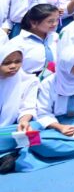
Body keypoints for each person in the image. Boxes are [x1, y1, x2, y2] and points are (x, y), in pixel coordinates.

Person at [0, 45, 38, 174]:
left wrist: (24, 121)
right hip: (5, 135)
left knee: (36, 128)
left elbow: (28, 107)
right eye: (6, 63)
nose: (13, 66)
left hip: (9, 130)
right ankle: (9, 153)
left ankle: (8, 153)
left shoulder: (28, 81)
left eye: (17, 62)